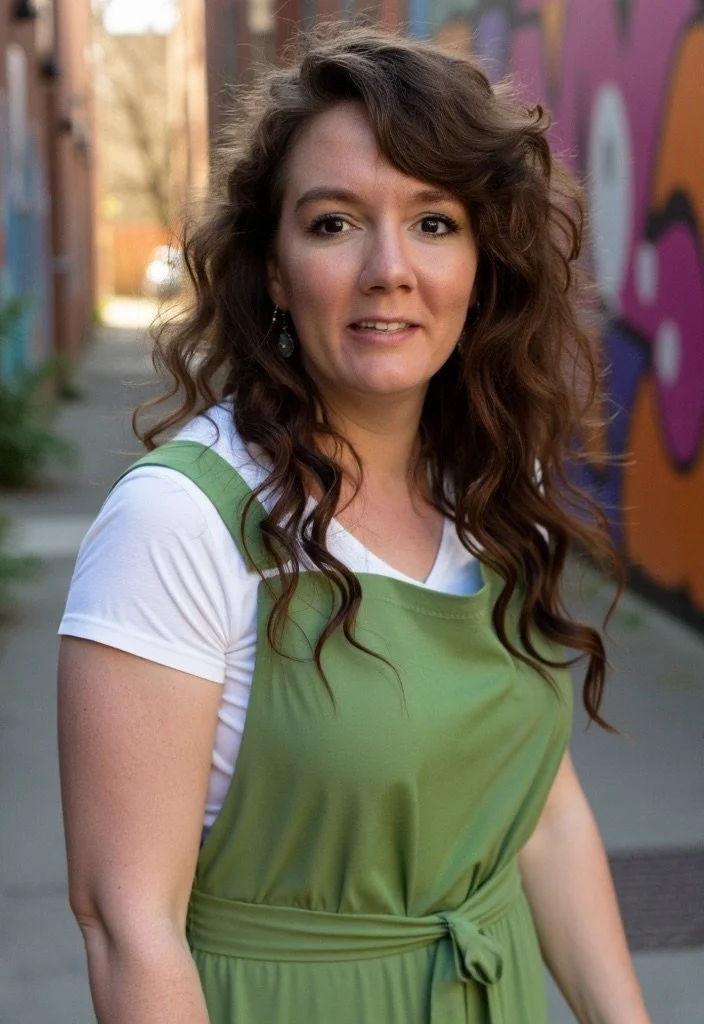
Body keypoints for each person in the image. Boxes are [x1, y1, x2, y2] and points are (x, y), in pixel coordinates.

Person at [57, 25, 652, 1024]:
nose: (389, 268)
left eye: (434, 222)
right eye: (333, 224)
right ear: (273, 271)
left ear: (482, 264)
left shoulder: (494, 490)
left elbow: (539, 812)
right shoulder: (178, 522)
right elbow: (127, 923)